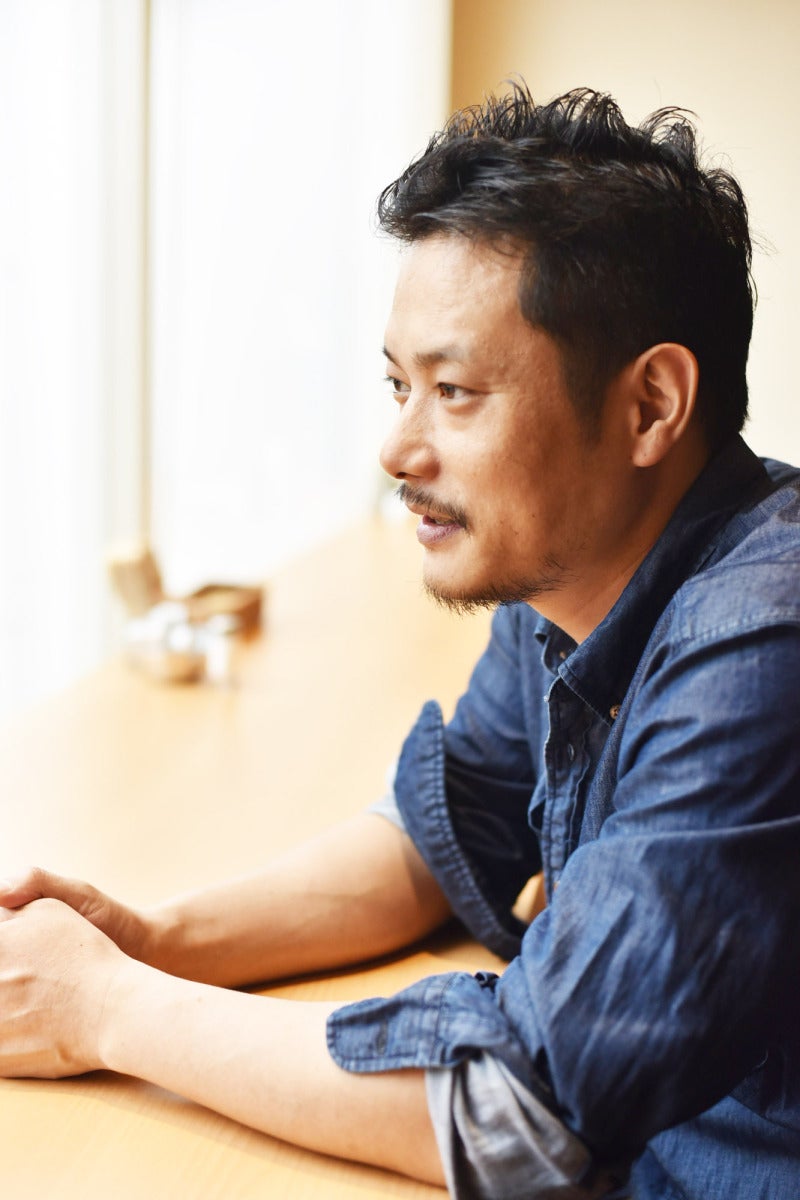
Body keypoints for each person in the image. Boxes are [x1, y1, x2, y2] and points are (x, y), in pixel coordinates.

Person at [1, 84, 799, 1199]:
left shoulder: (762, 645)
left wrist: (105, 1008)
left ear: (650, 405)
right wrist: (149, 940)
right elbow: (445, 837)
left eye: (454, 392)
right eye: (396, 384)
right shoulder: (568, 571)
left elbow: (520, 1114)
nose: (395, 448)